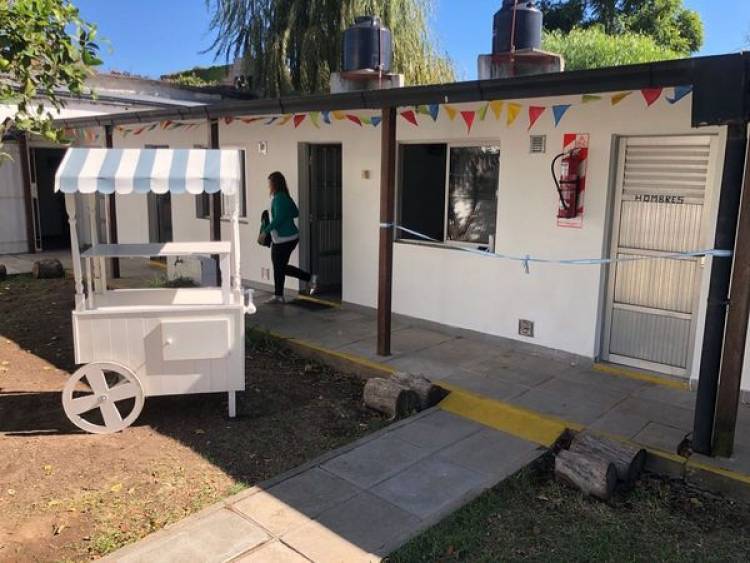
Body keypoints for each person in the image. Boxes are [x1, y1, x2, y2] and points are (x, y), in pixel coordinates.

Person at [261, 171, 317, 304]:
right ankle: (307, 279)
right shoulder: (285, 197)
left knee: (279, 267)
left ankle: (279, 295)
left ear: (275, 184)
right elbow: (295, 212)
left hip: (282, 239)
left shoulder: (279, 198)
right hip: (291, 237)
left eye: (270, 183)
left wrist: (265, 231)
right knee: (280, 267)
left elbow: (279, 219)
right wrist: (284, 215)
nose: (269, 186)